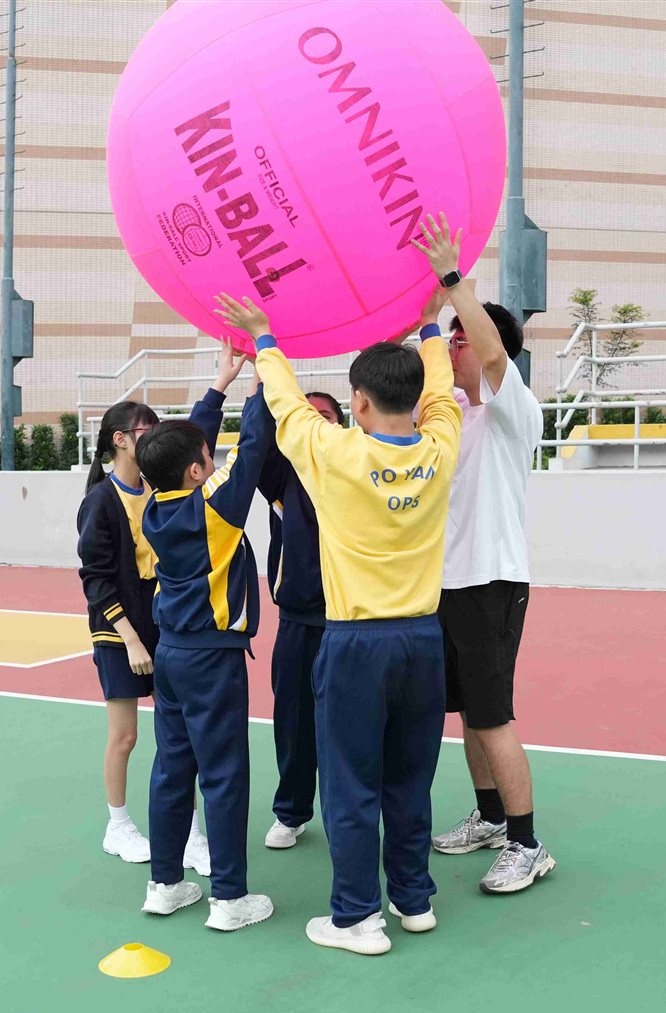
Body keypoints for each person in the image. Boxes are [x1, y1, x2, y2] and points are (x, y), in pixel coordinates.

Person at [214, 212, 464, 957]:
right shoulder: (441, 445)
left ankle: (357, 917)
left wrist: (264, 337)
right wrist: (430, 320)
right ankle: (412, 900)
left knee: (351, 783)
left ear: (356, 403)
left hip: (355, 643)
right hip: (424, 640)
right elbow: (441, 391)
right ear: (415, 401)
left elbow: (286, 406)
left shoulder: (334, 456)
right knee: (409, 779)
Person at [133, 372, 277, 932]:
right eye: (205, 458)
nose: (212, 460)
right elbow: (254, 447)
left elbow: (183, 450)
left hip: (171, 653)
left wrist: (219, 386)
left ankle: (164, 885)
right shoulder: (215, 510)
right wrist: (262, 382)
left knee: (172, 770)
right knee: (223, 775)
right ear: (196, 471)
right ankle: (230, 898)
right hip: (211, 659)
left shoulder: (156, 505)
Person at [77, 377, 235, 876]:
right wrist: (129, 638)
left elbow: (192, 441)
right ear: (121, 439)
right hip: (119, 634)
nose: (155, 434)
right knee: (125, 737)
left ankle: (190, 835)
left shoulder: (159, 486)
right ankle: (118, 825)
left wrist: (222, 383)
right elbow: (95, 578)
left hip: (164, 628)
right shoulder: (101, 500)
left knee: (179, 741)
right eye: (146, 429)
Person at [428, 274, 554, 893]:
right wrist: (425, 314)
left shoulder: (514, 410)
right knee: (468, 714)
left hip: (492, 582)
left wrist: (455, 286)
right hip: (445, 585)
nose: (451, 347)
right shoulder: (447, 412)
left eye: (460, 340)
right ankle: (490, 817)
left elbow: (496, 355)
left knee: (493, 716)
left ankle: (527, 844)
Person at [255, 390, 344, 850]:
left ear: (343, 424)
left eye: (324, 414)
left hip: (350, 621)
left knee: (350, 726)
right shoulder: (282, 475)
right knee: (293, 723)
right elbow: (260, 436)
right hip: (297, 620)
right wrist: (262, 381)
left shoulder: (357, 467)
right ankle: (290, 812)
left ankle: (346, 815)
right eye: (307, 414)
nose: (315, 421)